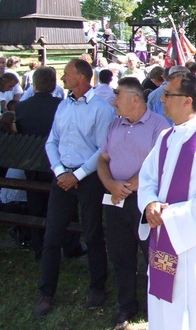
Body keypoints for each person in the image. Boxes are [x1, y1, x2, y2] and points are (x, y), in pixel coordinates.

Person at [137, 70, 196, 328]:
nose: (162, 99)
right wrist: (149, 204)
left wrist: (166, 215)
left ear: (187, 100)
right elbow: (147, 179)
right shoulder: (165, 138)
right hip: (164, 239)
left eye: (168, 94)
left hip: (195, 246)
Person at [34, 59, 116, 318]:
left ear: (81, 77)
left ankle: (97, 285)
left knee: (92, 233)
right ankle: (46, 292)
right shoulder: (63, 105)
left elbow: (103, 149)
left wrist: (77, 175)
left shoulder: (101, 109)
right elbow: (52, 142)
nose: (63, 79)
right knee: (52, 235)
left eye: (67, 74)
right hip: (62, 177)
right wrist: (60, 172)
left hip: (89, 177)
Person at [97, 77, 169, 327]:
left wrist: (125, 187)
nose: (114, 100)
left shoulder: (159, 127)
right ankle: (126, 306)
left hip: (143, 200)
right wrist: (110, 184)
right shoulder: (114, 126)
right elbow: (102, 159)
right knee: (120, 254)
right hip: (114, 199)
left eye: (118, 95)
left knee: (151, 253)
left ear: (135, 99)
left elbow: (157, 164)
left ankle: (156, 306)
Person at [14, 66, 83, 261]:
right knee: (68, 207)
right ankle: (71, 245)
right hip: (59, 163)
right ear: (54, 84)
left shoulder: (21, 108)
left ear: (34, 84)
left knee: (36, 205)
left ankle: (39, 246)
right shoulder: (61, 106)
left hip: (32, 165)